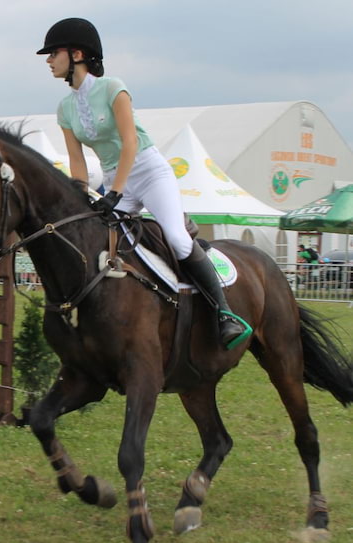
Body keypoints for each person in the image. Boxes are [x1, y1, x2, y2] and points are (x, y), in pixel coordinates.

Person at [39, 17, 249, 349]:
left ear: (77, 54)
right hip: (113, 181)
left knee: (178, 240)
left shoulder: (113, 88)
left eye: (53, 53)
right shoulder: (65, 109)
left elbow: (130, 143)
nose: (48, 61)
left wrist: (116, 193)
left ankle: (225, 315)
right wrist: (80, 196)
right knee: (97, 242)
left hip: (149, 173)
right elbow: (78, 164)